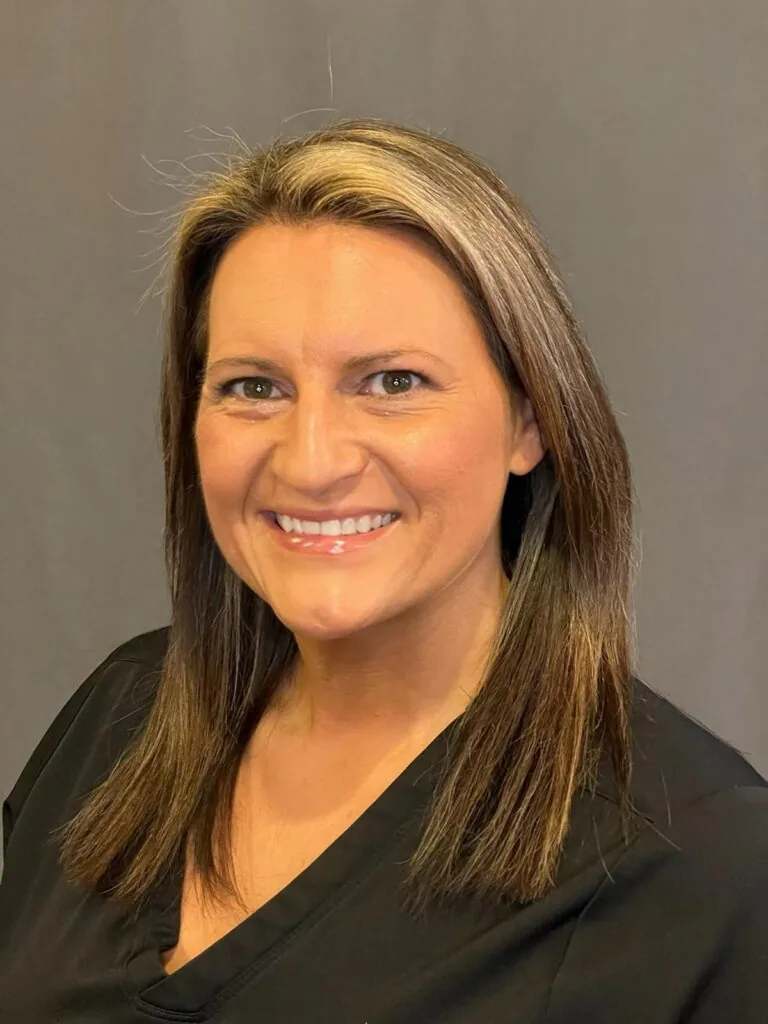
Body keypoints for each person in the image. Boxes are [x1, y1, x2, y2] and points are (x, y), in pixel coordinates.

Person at [1, 116, 766, 1024]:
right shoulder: (119, 716)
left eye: (394, 383)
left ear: (530, 421)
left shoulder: (699, 859)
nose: (312, 461)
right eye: (253, 386)